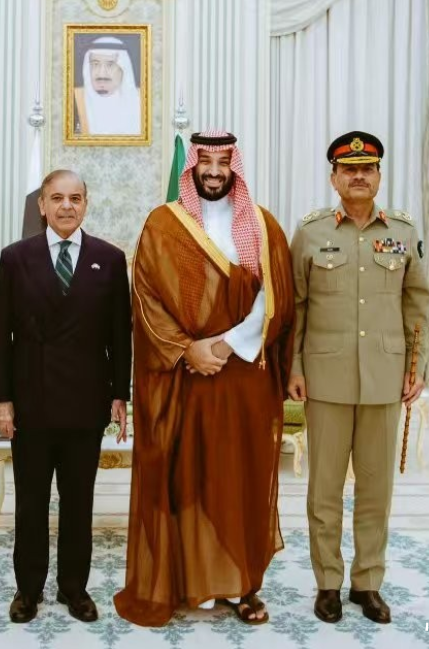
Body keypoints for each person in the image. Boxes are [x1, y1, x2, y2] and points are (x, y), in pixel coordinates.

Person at [114, 129, 295, 627]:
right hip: (185, 378)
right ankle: (189, 581)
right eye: (205, 162)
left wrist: (225, 345)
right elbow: (146, 296)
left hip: (241, 377)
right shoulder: (163, 223)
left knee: (239, 478)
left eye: (223, 162)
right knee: (186, 477)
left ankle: (242, 584)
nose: (214, 172)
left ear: (235, 167)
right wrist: (187, 349)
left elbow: (276, 296)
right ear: (192, 166)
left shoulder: (262, 225)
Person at [286, 130, 429, 625]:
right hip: (325, 379)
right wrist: (294, 367)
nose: (358, 177)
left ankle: (367, 582)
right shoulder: (310, 233)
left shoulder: (403, 232)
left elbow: (417, 303)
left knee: (375, 490)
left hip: (385, 378)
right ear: (334, 178)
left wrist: (416, 367)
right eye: (349, 170)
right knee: (324, 491)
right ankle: (327, 583)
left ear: (379, 176)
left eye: (367, 169)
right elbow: (296, 307)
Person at [0, 169, 132, 624]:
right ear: (42, 205)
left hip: (85, 404)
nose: (66, 206)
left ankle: (74, 588)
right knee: (30, 503)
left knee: (78, 502)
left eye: (75, 198)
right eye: (57, 198)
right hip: (30, 404)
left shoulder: (110, 259)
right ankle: (27, 590)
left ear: (86, 203)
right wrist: (1, 399)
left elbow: (120, 335)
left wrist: (120, 395)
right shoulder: (15, 258)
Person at [73, 36, 141, 135]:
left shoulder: (142, 102)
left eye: (110, 65)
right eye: (95, 64)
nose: (102, 73)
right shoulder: (76, 101)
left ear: (123, 68)